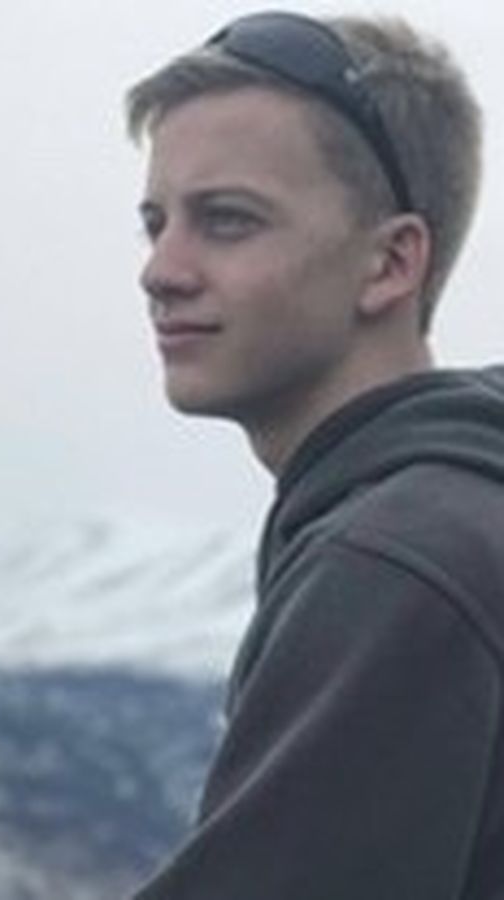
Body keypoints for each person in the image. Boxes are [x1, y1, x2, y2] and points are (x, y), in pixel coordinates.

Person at [125, 10, 503, 899]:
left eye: (226, 221)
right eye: (155, 223)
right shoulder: (462, 511)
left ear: (390, 263)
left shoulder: (398, 561)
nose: (161, 271)